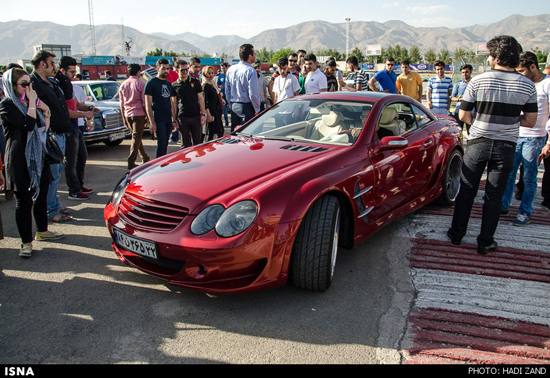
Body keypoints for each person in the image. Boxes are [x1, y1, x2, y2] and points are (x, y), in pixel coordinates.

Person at [447, 35, 538, 255]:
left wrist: (481, 123)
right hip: (506, 146)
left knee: (467, 190)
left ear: (496, 56)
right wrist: (508, 121)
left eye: (489, 54)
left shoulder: (478, 81)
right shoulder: (527, 85)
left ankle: (457, 235)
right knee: (494, 196)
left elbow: (463, 113)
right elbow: (530, 120)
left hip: (478, 143)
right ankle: (485, 241)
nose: (488, 58)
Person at [0, 68, 64, 257]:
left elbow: (42, 128)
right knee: (23, 201)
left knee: (41, 193)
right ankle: (26, 242)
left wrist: (46, 111)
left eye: (30, 83)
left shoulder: (30, 103)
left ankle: (42, 231)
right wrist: (34, 105)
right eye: (24, 84)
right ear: (12, 86)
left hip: (38, 156)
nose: (29, 88)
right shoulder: (6, 105)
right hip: (19, 159)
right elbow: (27, 125)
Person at [500, 51, 550, 226]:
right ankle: (503, 206)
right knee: (508, 173)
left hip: (535, 138)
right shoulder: (523, 83)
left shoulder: (547, 84)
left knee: (529, 176)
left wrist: (549, 142)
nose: (519, 74)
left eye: (522, 71)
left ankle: (525, 212)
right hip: (516, 135)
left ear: (533, 66)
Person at [30, 50, 72, 223]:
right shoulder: (33, 84)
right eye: (51, 63)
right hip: (48, 135)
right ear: (42, 64)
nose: (54, 66)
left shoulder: (51, 82)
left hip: (59, 135)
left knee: (57, 173)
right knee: (51, 174)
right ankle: (50, 211)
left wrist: (60, 76)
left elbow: (68, 94)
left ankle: (53, 204)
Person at [57, 56, 95, 201]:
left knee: (82, 157)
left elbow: (77, 104)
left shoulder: (69, 86)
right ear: (62, 70)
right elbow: (67, 111)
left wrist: (90, 108)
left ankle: (79, 185)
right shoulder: (60, 86)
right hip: (68, 128)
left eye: (75, 72)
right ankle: (73, 190)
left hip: (76, 127)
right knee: (71, 161)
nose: (74, 75)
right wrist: (85, 113)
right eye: (71, 72)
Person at [119, 63, 151, 169]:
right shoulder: (140, 84)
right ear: (138, 72)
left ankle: (144, 157)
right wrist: (148, 116)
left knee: (136, 136)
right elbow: (144, 102)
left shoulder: (123, 84)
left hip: (128, 113)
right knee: (136, 137)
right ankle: (131, 160)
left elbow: (121, 104)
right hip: (138, 114)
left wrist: (124, 117)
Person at [144, 58, 177, 157]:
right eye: (163, 68)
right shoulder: (151, 83)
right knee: (161, 145)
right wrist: (151, 122)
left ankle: (163, 164)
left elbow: (171, 103)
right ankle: (159, 167)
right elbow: (148, 104)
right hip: (158, 118)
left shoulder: (168, 84)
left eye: (167, 69)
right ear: (157, 68)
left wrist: (173, 119)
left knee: (165, 144)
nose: (166, 71)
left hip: (168, 119)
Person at [171, 59, 207, 147]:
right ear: (176, 71)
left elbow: (201, 98)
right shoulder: (174, 85)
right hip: (182, 118)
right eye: (182, 70)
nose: (184, 72)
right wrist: (174, 119)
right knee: (185, 144)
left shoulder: (195, 82)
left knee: (198, 144)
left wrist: (203, 114)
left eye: (186, 69)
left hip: (195, 117)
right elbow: (173, 103)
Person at [225, 44, 260, 130]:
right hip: (246, 107)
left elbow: (227, 91)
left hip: (234, 105)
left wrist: (231, 104)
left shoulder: (231, 69)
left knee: (234, 133)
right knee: (246, 134)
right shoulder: (251, 70)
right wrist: (257, 109)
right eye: (254, 53)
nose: (255, 55)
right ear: (249, 56)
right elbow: (253, 94)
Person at [201, 66, 225, 142]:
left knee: (220, 131)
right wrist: (208, 114)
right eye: (208, 73)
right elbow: (205, 101)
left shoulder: (213, 84)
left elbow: (215, 95)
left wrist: (221, 99)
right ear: (205, 74)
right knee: (209, 134)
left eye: (212, 73)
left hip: (216, 111)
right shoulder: (205, 85)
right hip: (210, 112)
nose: (211, 75)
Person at [451, 64, 473, 132]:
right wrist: (458, 99)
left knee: (471, 132)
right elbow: (452, 97)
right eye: (463, 72)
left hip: (471, 112)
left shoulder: (474, 83)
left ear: (470, 71)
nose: (464, 74)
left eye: (466, 72)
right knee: (459, 131)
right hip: (459, 111)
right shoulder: (458, 84)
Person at [215, 62, 229, 129]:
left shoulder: (229, 75)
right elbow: (217, 85)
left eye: (224, 68)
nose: (223, 69)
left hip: (230, 95)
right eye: (222, 68)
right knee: (224, 110)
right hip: (223, 96)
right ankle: (226, 122)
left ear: (226, 68)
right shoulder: (220, 76)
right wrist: (219, 85)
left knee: (232, 110)